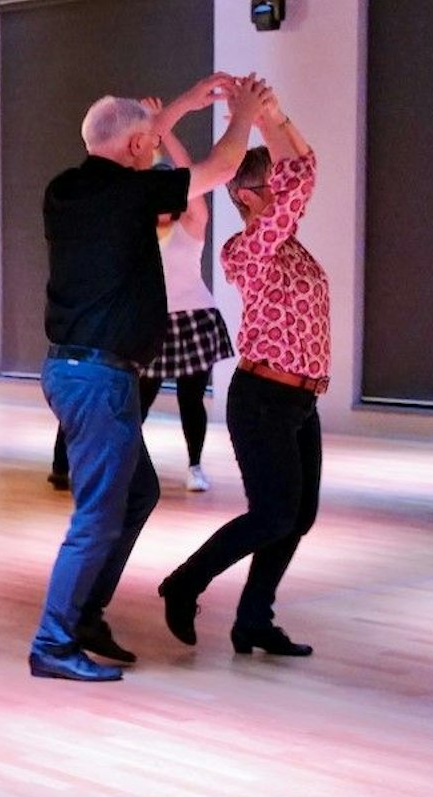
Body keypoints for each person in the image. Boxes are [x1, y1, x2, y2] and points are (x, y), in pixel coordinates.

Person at [27, 76, 265, 682]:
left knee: (138, 494)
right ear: (136, 147)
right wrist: (241, 111)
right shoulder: (133, 193)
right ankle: (53, 641)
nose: (154, 149)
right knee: (97, 515)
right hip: (97, 377)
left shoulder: (64, 189)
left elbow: (131, 138)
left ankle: (84, 615)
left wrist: (180, 106)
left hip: (76, 370)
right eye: (150, 143)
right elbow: (223, 166)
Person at [160, 89, 326, 658]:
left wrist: (276, 117)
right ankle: (185, 582)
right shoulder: (246, 250)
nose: (287, 196)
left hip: (301, 402)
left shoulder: (292, 248)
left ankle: (254, 619)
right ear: (248, 196)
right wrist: (262, 120)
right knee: (273, 513)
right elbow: (302, 178)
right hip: (262, 401)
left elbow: (303, 166)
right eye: (274, 188)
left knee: (296, 517)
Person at [137, 99, 233, 493]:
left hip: (194, 317)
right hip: (153, 322)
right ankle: (128, 465)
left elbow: (191, 174)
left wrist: (164, 129)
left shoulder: (191, 223)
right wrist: (145, 136)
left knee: (191, 401)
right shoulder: (137, 227)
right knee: (139, 400)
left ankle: (195, 466)